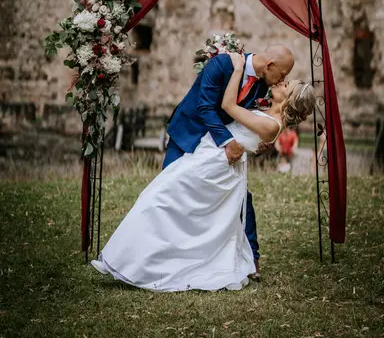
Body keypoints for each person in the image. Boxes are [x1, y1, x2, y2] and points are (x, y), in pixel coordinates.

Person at [91, 53, 316, 292]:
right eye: (284, 78)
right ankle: (130, 261)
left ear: (289, 98)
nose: (282, 81)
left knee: (157, 201)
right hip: (209, 155)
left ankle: (128, 263)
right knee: (167, 205)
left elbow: (228, 106)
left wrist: (238, 67)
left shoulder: (271, 125)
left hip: (213, 164)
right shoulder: (267, 111)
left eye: (286, 84)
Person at [164, 44, 294, 280]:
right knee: (168, 188)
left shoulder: (264, 85)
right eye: (283, 74)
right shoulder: (222, 65)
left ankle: (252, 256)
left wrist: (255, 140)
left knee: (242, 195)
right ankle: (166, 251)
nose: (282, 80)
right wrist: (229, 141)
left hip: (219, 149)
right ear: (270, 65)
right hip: (190, 134)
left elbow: (248, 117)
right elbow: (205, 107)